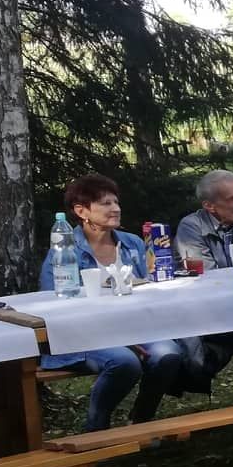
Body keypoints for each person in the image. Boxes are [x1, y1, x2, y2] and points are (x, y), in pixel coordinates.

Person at [38, 174, 186, 431]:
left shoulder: (132, 244)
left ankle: (140, 422)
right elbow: (55, 304)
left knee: (168, 355)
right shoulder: (64, 251)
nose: (115, 208)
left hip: (133, 327)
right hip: (82, 333)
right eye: (105, 203)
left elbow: (147, 290)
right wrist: (122, 341)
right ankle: (95, 430)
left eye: (116, 202)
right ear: (81, 211)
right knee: (124, 362)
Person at [175, 169, 233, 404]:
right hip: (208, 313)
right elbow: (205, 278)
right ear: (210, 206)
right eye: (232, 199)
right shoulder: (191, 227)